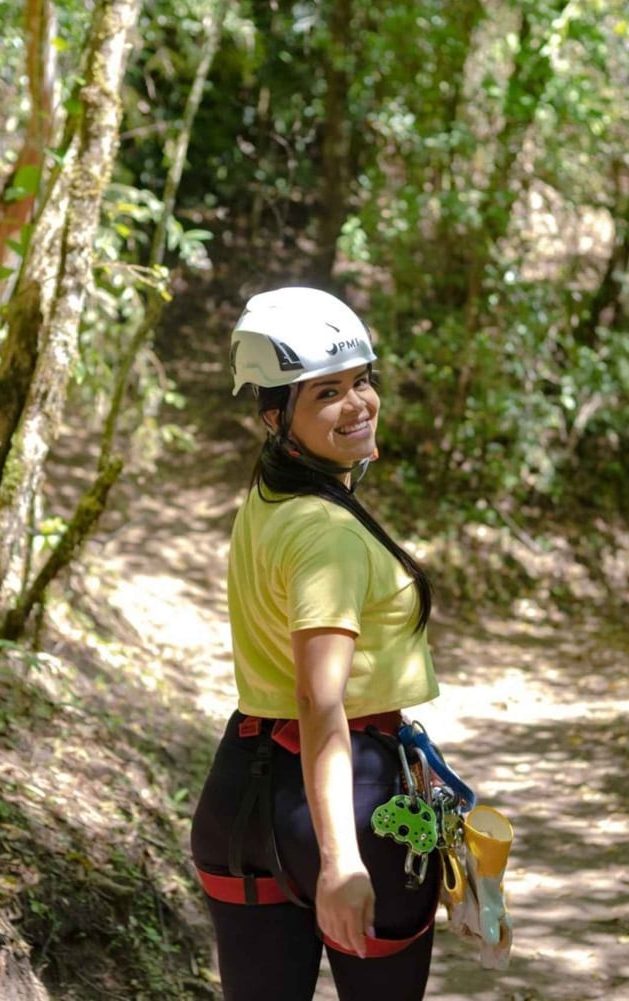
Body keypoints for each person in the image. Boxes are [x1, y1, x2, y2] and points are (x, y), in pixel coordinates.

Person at [190, 286, 441, 1001]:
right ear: (275, 415)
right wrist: (341, 860)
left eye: (363, 381)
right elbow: (318, 698)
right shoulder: (327, 533)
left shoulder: (270, 498)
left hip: (242, 790)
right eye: (326, 392)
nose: (358, 403)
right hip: (349, 800)